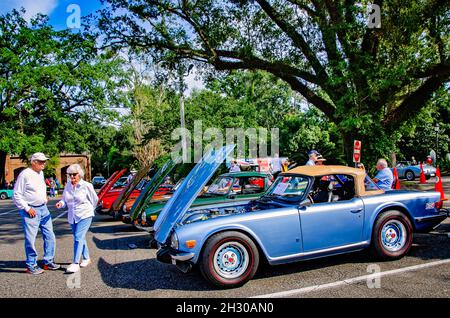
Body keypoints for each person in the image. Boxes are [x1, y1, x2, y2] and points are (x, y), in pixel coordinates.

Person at [13, 152, 60, 274]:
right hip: (31, 211)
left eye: (44, 161)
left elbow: (41, 188)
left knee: (50, 236)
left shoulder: (41, 173)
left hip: (43, 209)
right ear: (33, 162)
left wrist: (44, 198)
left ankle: (48, 261)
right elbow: (16, 195)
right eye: (40, 161)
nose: (43, 163)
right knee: (31, 239)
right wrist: (27, 208)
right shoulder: (25, 174)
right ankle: (31, 265)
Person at [56, 164, 98, 274]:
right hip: (72, 216)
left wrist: (90, 210)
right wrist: (61, 203)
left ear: (79, 175)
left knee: (78, 237)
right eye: (70, 175)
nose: (72, 177)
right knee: (80, 237)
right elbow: (65, 199)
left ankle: (75, 263)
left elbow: (95, 199)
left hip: (85, 215)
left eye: (74, 174)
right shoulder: (68, 186)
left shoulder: (86, 186)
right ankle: (86, 258)